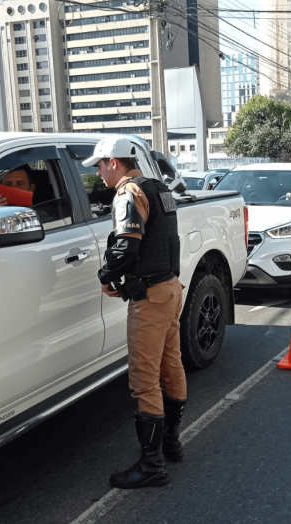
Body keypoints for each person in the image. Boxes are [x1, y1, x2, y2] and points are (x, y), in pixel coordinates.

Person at [86, 136, 186, 489]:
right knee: (170, 366)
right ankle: (171, 441)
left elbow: (127, 245)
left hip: (151, 296)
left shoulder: (129, 194)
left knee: (145, 379)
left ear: (114, 162)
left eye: (99, 165)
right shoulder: (158, 187)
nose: (97, 173)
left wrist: (106, 275)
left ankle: (152, 464)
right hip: (171, 288)